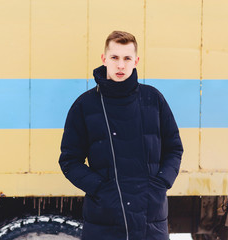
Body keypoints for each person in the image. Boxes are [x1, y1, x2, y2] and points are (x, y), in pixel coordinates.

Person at [59, 30, 183, 240]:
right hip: (105, 220)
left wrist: (161, 183)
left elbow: (174, 148)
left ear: (136, 61)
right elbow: (70, 160)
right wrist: (100, 189)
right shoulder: (85, 105)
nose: (120, 65)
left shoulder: (153, 99)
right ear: (104, 59)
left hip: (150, 219)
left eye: (127, 58)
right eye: (115, 57)